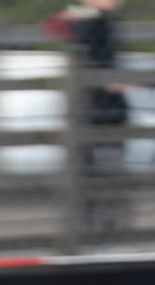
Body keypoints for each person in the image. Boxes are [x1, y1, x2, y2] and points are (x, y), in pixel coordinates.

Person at [45, 0, 130, 238]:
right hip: (99, 109)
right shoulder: (91, 22)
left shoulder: (96, 21)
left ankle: (98, 226)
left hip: (95, 108)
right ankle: (101, 228)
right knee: (102, 171)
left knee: (99, 171)